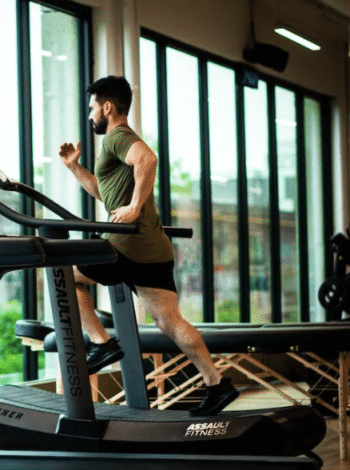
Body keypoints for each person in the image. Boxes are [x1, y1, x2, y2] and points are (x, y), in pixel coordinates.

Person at [58, 75, 238, 416]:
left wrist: (135, 207)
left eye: (92, 108)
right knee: (170, 322)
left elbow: (149, 160)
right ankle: (216, 383)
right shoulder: (117, 143)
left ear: (107, 107)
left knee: (64, 274)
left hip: (125, 245)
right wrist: (74, 167)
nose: (90, 115)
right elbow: (104, 192)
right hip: (153, 248)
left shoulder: (118, 137)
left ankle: (101, 343)